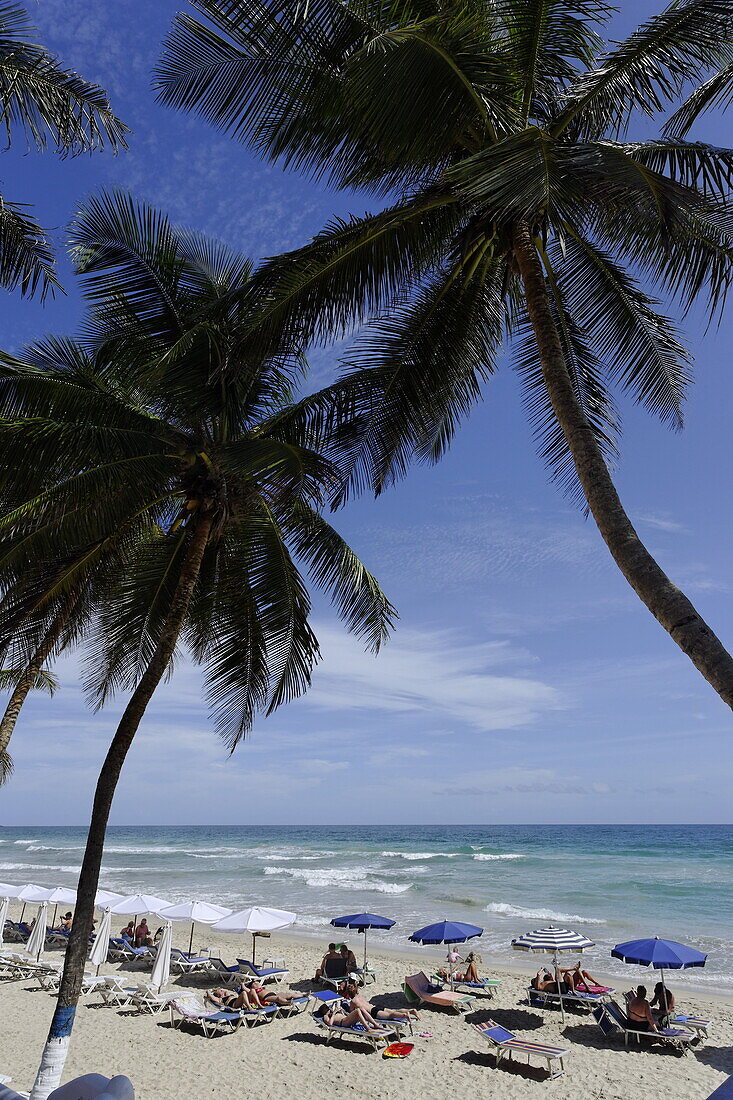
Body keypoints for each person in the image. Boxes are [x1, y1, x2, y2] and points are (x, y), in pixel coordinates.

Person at [343, 980, 419, 1023]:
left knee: (390, 1016)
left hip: (373, 1012)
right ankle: (410, 1011)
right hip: (375, 1007)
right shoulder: (360, 996)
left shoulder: (353, 1001)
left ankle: (404, 1016)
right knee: (393, 1011)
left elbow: (351, 1012)